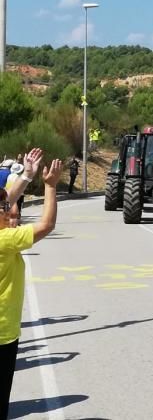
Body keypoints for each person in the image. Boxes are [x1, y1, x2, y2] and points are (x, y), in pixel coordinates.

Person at [0, 148, 62, 418]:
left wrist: (25, 175)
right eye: (5, 209)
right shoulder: (5, 241)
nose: (10, 211)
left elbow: (6, 200)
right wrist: (49, 186)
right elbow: (46, 224)